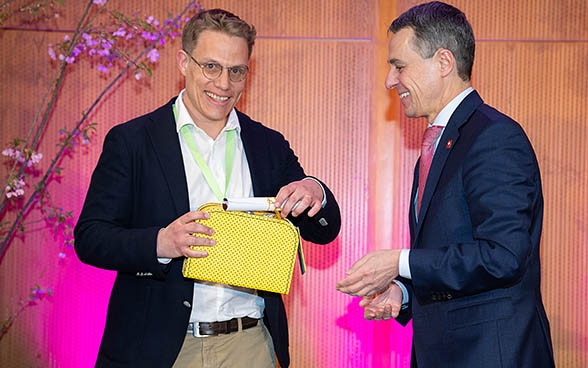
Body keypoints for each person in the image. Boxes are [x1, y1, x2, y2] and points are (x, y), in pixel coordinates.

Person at [74, 8, 341, 368]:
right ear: (184, 63)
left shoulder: (268, 144)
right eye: (211, 67)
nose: (224, 84)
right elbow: (90, 238)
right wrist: (161, 243)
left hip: (250, 345)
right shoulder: (133, 141)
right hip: (157, 347)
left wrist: (315, 190)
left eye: (236, 71)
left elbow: (322, 231)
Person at [336, 2, 554, 367]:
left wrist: (399, 262)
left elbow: (503, 256)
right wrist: (402, 293)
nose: (390, 80)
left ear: (443, 62)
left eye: (399, 66)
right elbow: (452, 250)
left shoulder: (494, 137)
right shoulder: (440, 143)